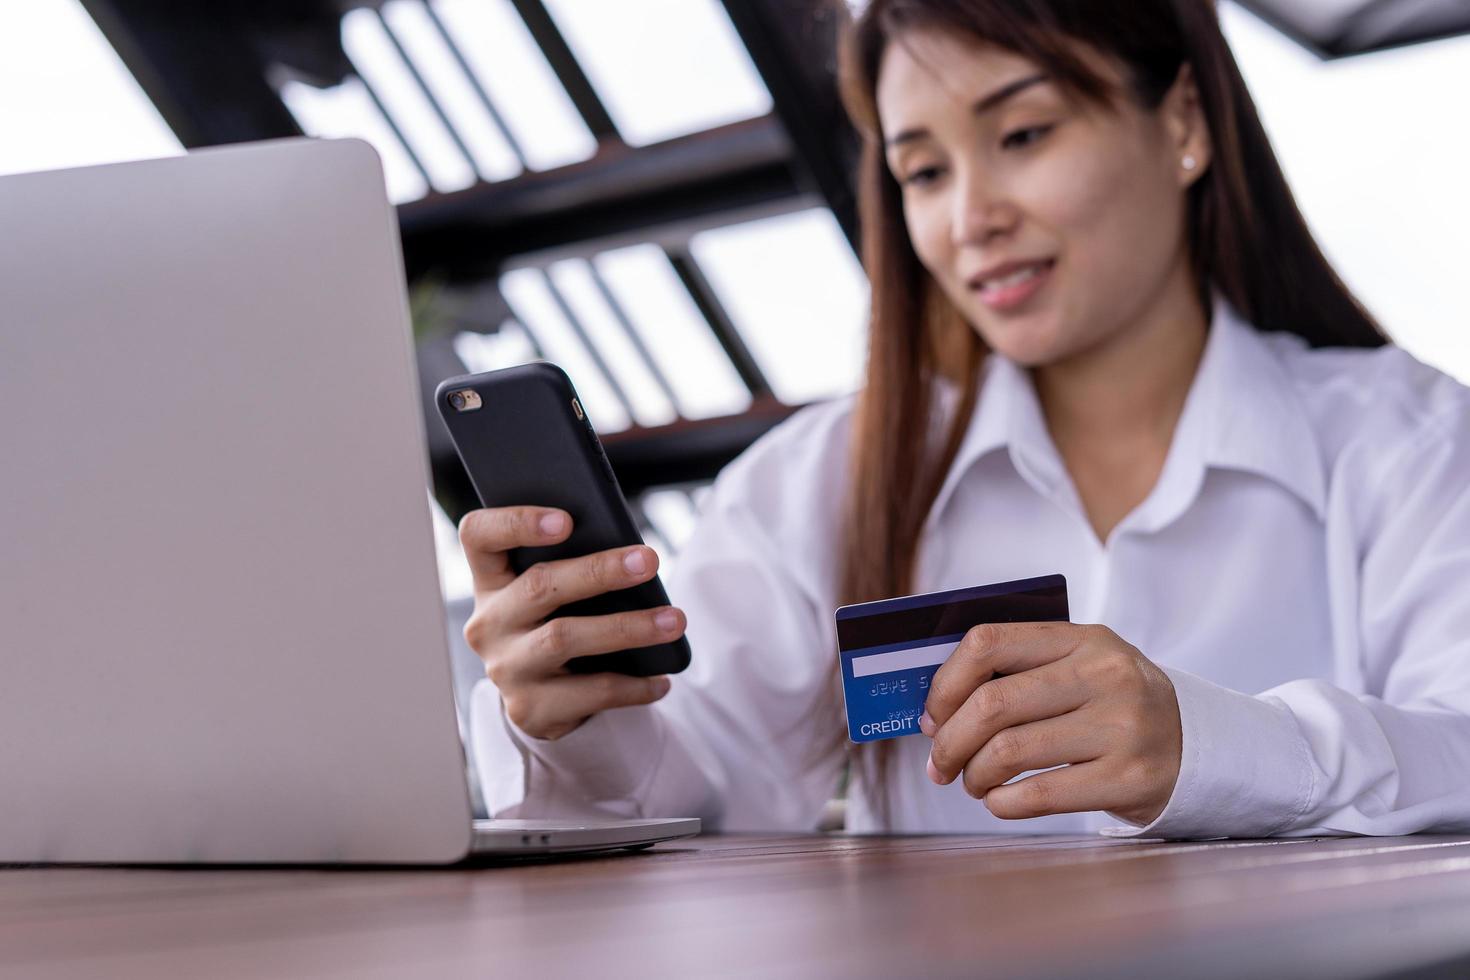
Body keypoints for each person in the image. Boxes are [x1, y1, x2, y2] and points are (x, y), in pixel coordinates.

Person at [459, 0, 1470, 838]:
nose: (970, 216)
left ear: (1184, 123)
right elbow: (701, 781)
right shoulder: (827, 477)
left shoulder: (1406, 440)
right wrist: (569, 716)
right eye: (925, 172)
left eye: (1023, 134)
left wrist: (1210, 744)